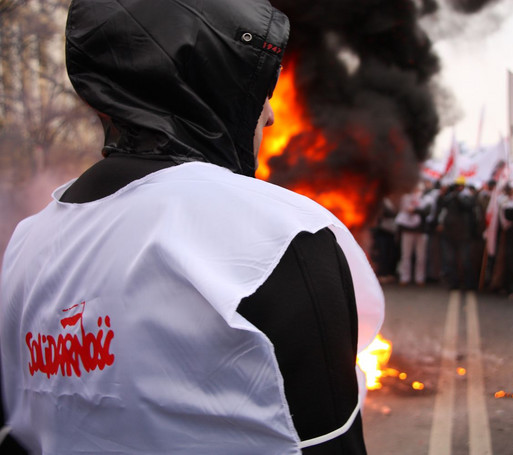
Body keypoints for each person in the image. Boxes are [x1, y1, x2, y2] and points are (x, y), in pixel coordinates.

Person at [0, 1, 384, 453]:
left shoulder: (27, 241)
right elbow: (330, 441)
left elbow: (19, 433)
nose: (272, 114)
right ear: (217, 90)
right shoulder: (280, 232)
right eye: (260, 90)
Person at [395, 184, 432, 286]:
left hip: (421, 231)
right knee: (405, 255)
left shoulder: (426, 199)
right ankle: (405, 277)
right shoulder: (406, 198)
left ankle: (420, 278)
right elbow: (402, 211)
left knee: (421, 257)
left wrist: (415, 210)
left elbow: (427, 211)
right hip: (408, 230)